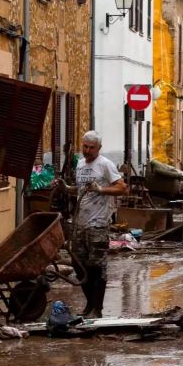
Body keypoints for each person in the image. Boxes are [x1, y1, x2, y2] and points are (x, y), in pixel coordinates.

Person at [60, 131, 128, 319]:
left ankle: (97, 308)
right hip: (80, 223)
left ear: (99, 148)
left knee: (97, 266)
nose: (87, 151)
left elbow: (122, 187)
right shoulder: (80, 164)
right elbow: (82, 190)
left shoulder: (105, 165)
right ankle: (89, 304)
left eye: (91, 148)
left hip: (98, 223)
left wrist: (101, 189)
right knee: (79, 264)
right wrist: (66, 188)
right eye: (85, 147)